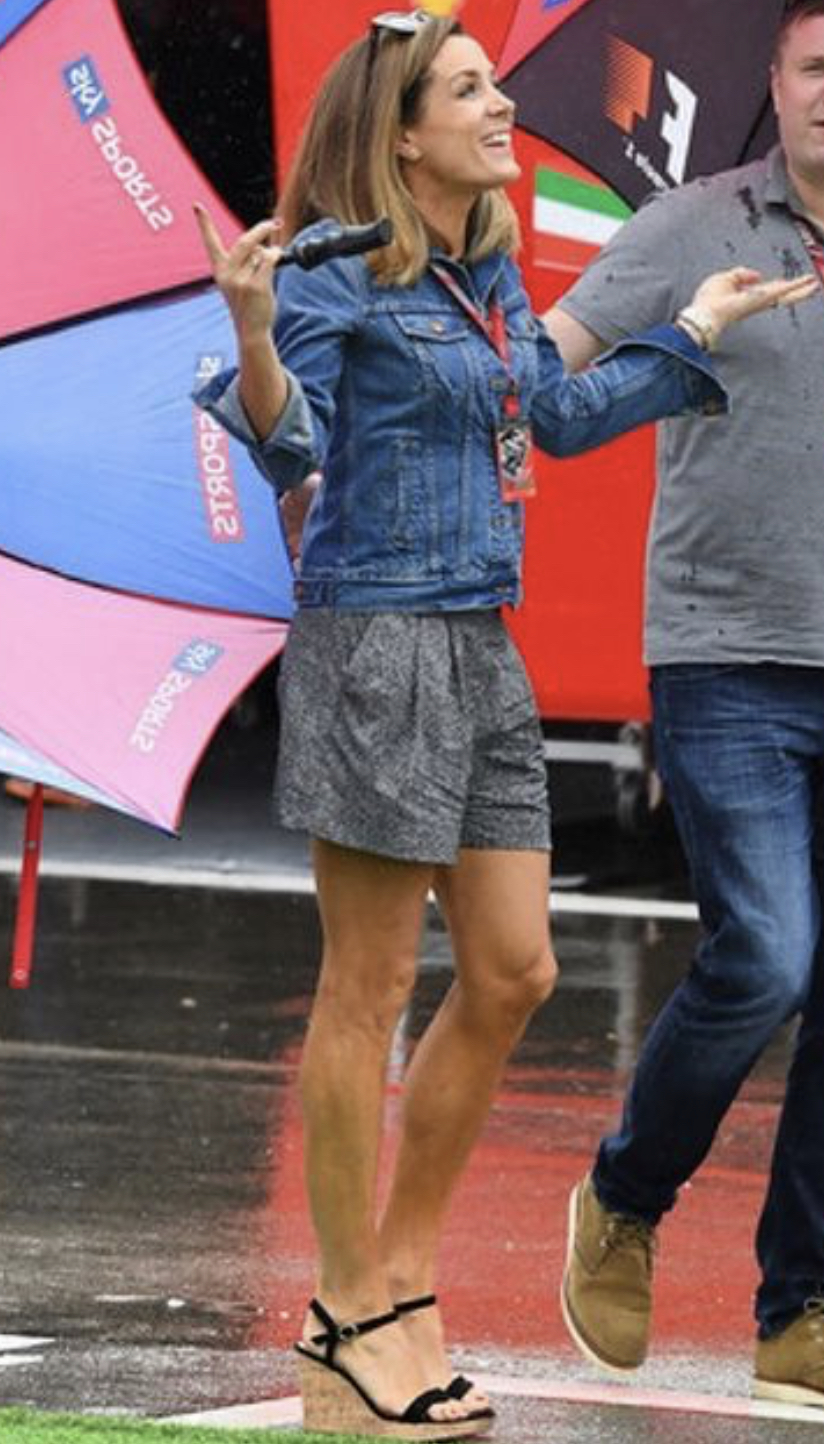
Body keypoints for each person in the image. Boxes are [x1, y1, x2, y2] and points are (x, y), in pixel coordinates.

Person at [192, 11, 812, 1437]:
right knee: (365, 990)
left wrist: (693, 332)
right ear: (403, 133)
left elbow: (560, 412)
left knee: (517, 971)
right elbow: (286, 442)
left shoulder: (481, 275)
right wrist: (253, 328)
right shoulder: (332, 274)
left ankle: (398, 1277)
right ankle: (352, 1310)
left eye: (491, 86)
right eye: (469, 92)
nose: (500, 107)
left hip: (480, 645)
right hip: (376, 640)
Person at [545, 0, 824, 1411]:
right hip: (727, 657)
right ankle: (625, 1198)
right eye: (819, 69)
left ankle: (803, 1307)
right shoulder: (694, 224)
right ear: (775, 82)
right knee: (768, 957)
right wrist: (686, 338)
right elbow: (546, 369)